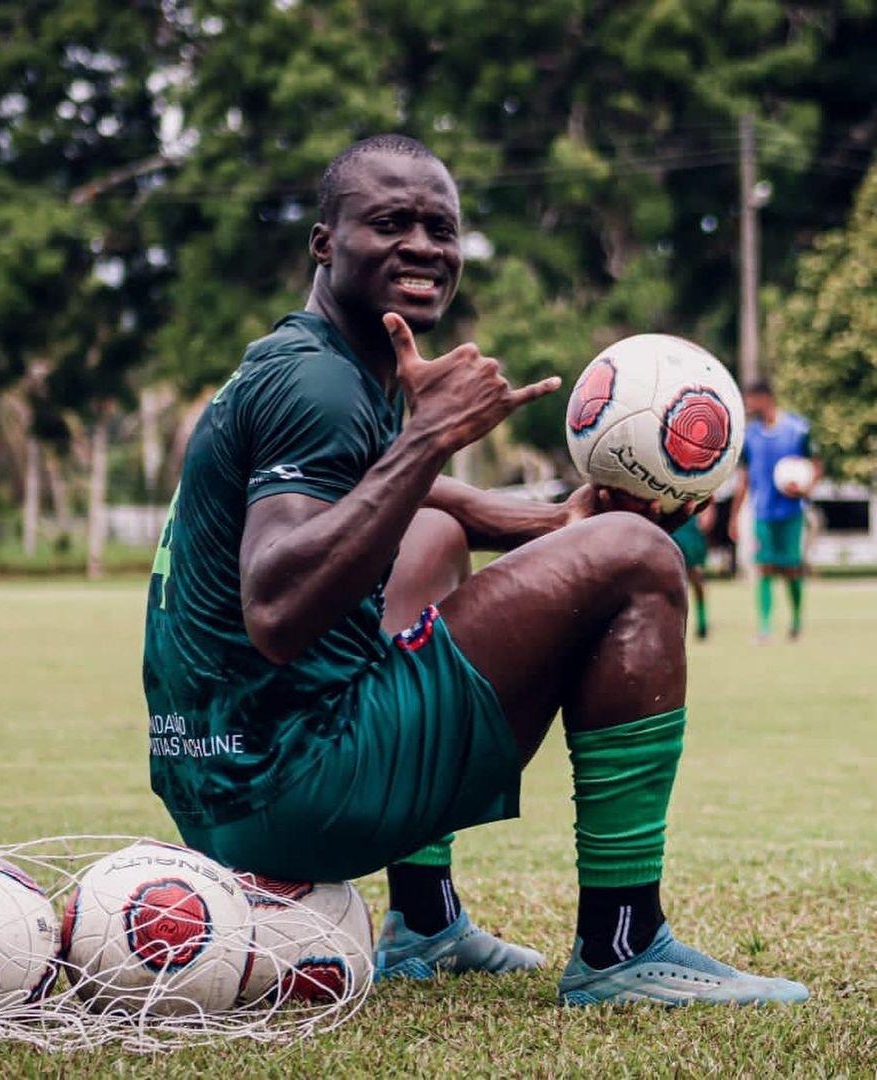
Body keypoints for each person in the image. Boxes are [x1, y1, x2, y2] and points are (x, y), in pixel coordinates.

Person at [142, 135, 808, 1005]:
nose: (423, 246)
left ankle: (424, 921)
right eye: (390, 223)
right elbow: (275, 606)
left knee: (422, 532)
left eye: (441, 228)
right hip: (300, 790)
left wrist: (552, 521)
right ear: (324, 242)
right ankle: (623, 944)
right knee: (643, 556)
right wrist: (430, 434)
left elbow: (412, 495)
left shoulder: (303, 363)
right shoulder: (324, 388)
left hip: (216, 786)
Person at [728, 380, 821, 641]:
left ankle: (796, 622)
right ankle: (765, 628)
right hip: (762, 512)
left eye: (751, 400)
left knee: (791, 568)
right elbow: (744, 478)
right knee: (765, 567)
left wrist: (805, 485)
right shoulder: (750, 435)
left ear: (765, 398)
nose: (748, 406)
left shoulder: (798, 429)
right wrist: (734, 516)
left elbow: (816, 465)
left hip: (791, 512)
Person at [672, 504, 716, 639]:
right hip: (671, 527)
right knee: (671, 581)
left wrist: (708, 514)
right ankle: (673, 626)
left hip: (691, 530)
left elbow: (707, 493)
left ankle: (702, 623)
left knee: (697, 578)